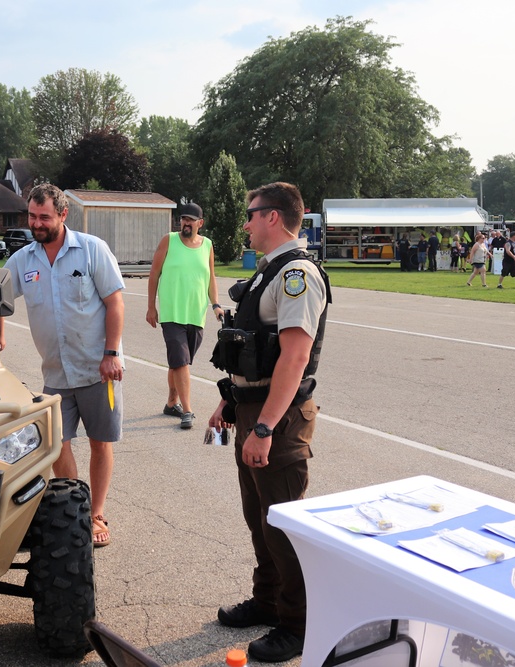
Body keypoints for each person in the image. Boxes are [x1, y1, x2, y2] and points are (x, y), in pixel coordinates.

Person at [209, 182, 330, 663]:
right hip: (253, 408)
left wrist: (263, 428)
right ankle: (268, 600)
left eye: (252, 214)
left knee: (282, 524)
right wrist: (231, 403)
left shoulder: (297, 274)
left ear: (274, 217)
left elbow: (295, 357)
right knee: (259, 519)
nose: (246, 223)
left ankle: (298, 625)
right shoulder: (269, 273)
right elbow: (254, 348)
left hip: (278, 418)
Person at [4, 183, 124, 548]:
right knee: (58, 444)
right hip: (55, 373)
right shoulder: (23, 260)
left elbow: (115, 303)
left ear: (62, 214)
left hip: (96, 369)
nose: (36, 224)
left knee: (101, 442)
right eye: (31, 216)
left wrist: (111, 353)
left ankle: (97, 511)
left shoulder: (91, 250)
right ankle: (79, 508)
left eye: (44, 217)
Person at [146, 202, 223, 430]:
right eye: (183, 219)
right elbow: (154, 274)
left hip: (196, 314)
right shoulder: (168, 240)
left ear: (200, 223)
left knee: (180, 362)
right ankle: (187, 410)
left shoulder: (207, 245)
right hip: (172, 313)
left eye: (191, 220)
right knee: (181, 362)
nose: (186, 223)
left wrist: (216, 304)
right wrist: (151, 307)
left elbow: (211, 278)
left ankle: (171, 403)